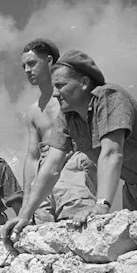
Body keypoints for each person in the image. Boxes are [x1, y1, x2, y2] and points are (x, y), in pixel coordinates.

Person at [1, 49, 137, 244]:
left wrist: (100, 206)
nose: (55, 94)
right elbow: (52, 166)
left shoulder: (109, 97)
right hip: (136, 192)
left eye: (61, 85)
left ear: (83, 82)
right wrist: (25, 215)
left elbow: (111, 153)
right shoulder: (67, 116)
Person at [20, 39, 97, 224]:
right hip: (44, 171)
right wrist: (26, 200)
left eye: (31, 63)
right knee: (39, 231)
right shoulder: (33, 111)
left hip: (73, 162)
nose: (27, 70)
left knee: (75, 222)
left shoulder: (71, 96)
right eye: (23, 66)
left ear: (48, 61)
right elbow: (32, 156)